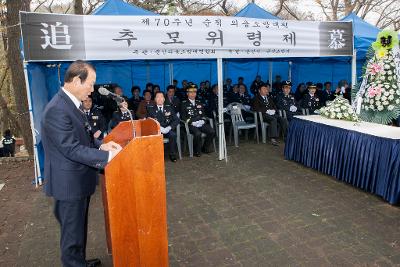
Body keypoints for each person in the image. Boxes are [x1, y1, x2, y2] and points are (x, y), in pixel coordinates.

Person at [41, 60, 122, 267]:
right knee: (71, 237)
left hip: (79, 181)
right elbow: (71, 148)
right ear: (77, 80)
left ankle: (80, 262)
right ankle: (74, 263)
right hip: (68, 185)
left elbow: (84, 137)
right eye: (91, 84)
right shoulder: (57, 109)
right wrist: (108, 158)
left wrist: (101, 145)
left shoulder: (71, 104)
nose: (92, 89)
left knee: (78, 230)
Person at [180, 85, 215, 157]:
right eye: (191, 92)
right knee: (197, 133)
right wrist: (191, 122)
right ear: (187, 93)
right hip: (191, 125)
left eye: (194, 92)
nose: (193, 94)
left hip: (200, 123)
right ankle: (197, 150)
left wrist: (202, 121)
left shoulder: (199, 102)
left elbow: (203, 115)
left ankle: (205, 148)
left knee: (212, 131)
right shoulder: (183, 104)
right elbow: (183, 117)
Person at [147, 92, 179, 162]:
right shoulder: (150, 108)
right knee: (153, 136)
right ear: (155, 99)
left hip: (167, 129)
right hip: (156, 129)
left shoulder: (169, 107)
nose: (160, 99)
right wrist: (159, 128)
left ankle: (172, 154)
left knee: (173, 135)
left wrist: (169, 127)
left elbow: (176, 119)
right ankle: (155, 155)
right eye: (158, 97)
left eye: (161, 97)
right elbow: (149, 121)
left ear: (164, 99)